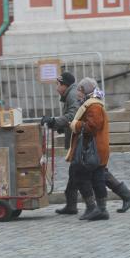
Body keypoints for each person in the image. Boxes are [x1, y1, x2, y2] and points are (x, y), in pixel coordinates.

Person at [41, 73, 130, 215]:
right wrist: (64, 126)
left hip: (89, 147)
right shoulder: (84, 99)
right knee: (84, 173)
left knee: (85, 174)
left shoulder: (88, 102)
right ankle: (81, 205)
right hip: (85, 145)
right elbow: (78, 118)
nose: (56, 88)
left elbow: (79, 120)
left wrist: (61, 123)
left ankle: (94, 206)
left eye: (58, 84)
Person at [66, 77, 110, 220]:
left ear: (84, 90)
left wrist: (75, 125)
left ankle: (96, 208)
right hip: (95, 148)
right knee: (96, 178)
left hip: (94, 149)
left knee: (83, 176)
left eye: (79, 89)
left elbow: (92, 127)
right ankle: (98, 209)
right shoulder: (90, 104)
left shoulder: (94, 106)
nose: (77, 92)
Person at [41, 72, 80, 214]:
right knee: (76, 172)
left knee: (89, 174)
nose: (57, 87)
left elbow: (72, 115)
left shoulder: (72, 94)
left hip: (81, 140)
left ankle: (124, 195)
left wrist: (54, 121)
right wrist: (60, 127)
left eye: (58, 84)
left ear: (65, 85)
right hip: (77, 138)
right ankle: (71, 205)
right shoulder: (70, 94)